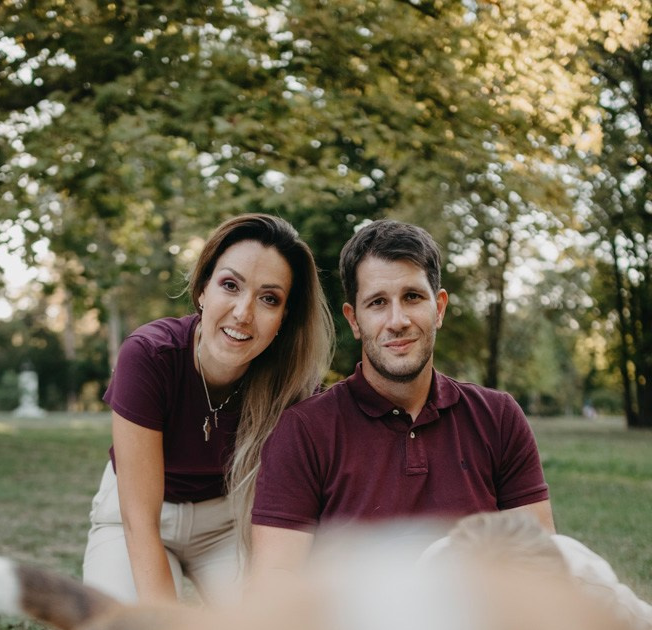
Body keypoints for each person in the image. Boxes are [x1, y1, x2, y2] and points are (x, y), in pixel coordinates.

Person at [250, 219, 555, 575]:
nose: (398, 321)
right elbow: (274, 587)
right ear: (354, 320)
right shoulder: (303, 431)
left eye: (412, 297)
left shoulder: (498, 417)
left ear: (438, 308)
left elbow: (543, 566)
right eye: (378, 302)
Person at [83, 213, 334, 604]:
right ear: (202, 289)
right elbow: (140, 522)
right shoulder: (150, 356)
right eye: (230, 285)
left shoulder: (295, 386)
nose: (243, 313)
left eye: (269, 298)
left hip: (229, 525)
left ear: (285, 317)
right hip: (139, 518)